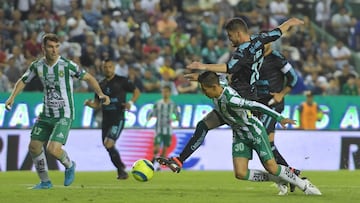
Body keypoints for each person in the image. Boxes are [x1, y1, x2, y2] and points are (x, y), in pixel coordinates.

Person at [156, 17, 304, 175]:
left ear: (238, 33)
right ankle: (179, 160)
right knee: (206, 125)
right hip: (245, 97)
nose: (230, 39)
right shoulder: (259, 39)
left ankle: (288, 173)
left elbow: (229, 68)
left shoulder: (243, 50)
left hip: (239, 100)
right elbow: (277, 32)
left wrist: (203, 66)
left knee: (263, 148)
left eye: (230, 36)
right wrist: (290, 23)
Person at [157, 71, 321, 195]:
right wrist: (199, 77)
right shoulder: (217, 84)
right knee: (241, 173)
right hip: (239, 133)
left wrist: (280, 117)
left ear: (214, 88)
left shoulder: (232, 99)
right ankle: (278, 179)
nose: (204, 93)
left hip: (254, 131)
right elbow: (216, 76)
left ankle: (303, 185)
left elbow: (256, 106)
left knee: (272, 167)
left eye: (205, 89)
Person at [4, 33, 111, 189]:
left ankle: (69, 165)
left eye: (56, 47)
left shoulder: (67, 65)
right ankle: (45, 182)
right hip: (46, 114)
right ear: (43, 48)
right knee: (34, 146)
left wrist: (101, 94)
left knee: (53, 150)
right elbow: (23, 80)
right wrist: (12, 97)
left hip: (64, 114)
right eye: (50, 47)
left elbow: (89, 78)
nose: (54, 50)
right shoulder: (37, 66)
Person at [85, 59, 140, 179]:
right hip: (106, 120)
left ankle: (121, 167)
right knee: (107, 146)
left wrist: (130, 102)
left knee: (108, 143)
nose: (108, 69)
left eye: (110, 67)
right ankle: (121, 171)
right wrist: (90, 104)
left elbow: (136, 91)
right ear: (102, 68)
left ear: (114, 68)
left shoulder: (122, 81)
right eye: (105, 67)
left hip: (118, 118)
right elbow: (97, 104)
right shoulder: (100, 84)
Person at [256, 43, 300, 192]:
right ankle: (292, 175)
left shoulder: (277, 58)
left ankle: (290, 175)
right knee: (269, 144)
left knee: (262, 139)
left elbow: (293, 78)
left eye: (266, 42)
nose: (263, 45)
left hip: (273, 104)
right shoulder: (255, 57)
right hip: (260, 104)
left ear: (271, 44)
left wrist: (281, 94)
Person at [147, 85, 180, 169]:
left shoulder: (173, 104)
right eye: (163, 91)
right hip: (158, 129)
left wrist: (174, 119)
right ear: (162, 93)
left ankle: (158, 166)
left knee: (165, 149)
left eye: (167, 91)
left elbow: (177, 116)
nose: (165, 93)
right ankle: (153, 159)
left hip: (168, 130)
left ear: (169, 93)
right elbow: (152, 113)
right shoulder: (158, 103)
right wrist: (149, 117)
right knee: (156, 149)